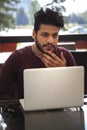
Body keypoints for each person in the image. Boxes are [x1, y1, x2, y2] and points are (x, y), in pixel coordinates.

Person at [0, 7, 76, 100]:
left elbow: (77, 93)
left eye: (55, 35)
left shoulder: (65, 56)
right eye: (45, 35)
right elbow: (1, 92)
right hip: (26, 112)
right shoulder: (18, 57)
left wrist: (64, 73)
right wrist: (19, 107)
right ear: (34, 34)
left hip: (59, 111)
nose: (50, 41)